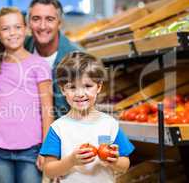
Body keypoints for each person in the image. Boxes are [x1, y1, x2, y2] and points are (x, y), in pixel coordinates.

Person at [40, 52, 134, 183]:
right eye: (72, 87)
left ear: (99, 86)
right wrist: (71, 161)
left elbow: (125, 165)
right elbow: (49, 170)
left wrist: (115, 161)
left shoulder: (110, 124)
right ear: (62, 90)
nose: (80, 94)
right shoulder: (58, 128)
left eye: (88, 86)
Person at [0, 7, 54, 183]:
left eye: (17, 27)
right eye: (6, 28)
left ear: (26, 29)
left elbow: (48, 110)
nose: (12, 33)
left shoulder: (39, 64)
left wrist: (47, 149)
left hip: (31, 149)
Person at [25, 0, 83, 119]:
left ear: (60, 23)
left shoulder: (77, 58)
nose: (42, 26)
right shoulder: (21, 49)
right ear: (29, 22)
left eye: (49, 19)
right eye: (36, 19)